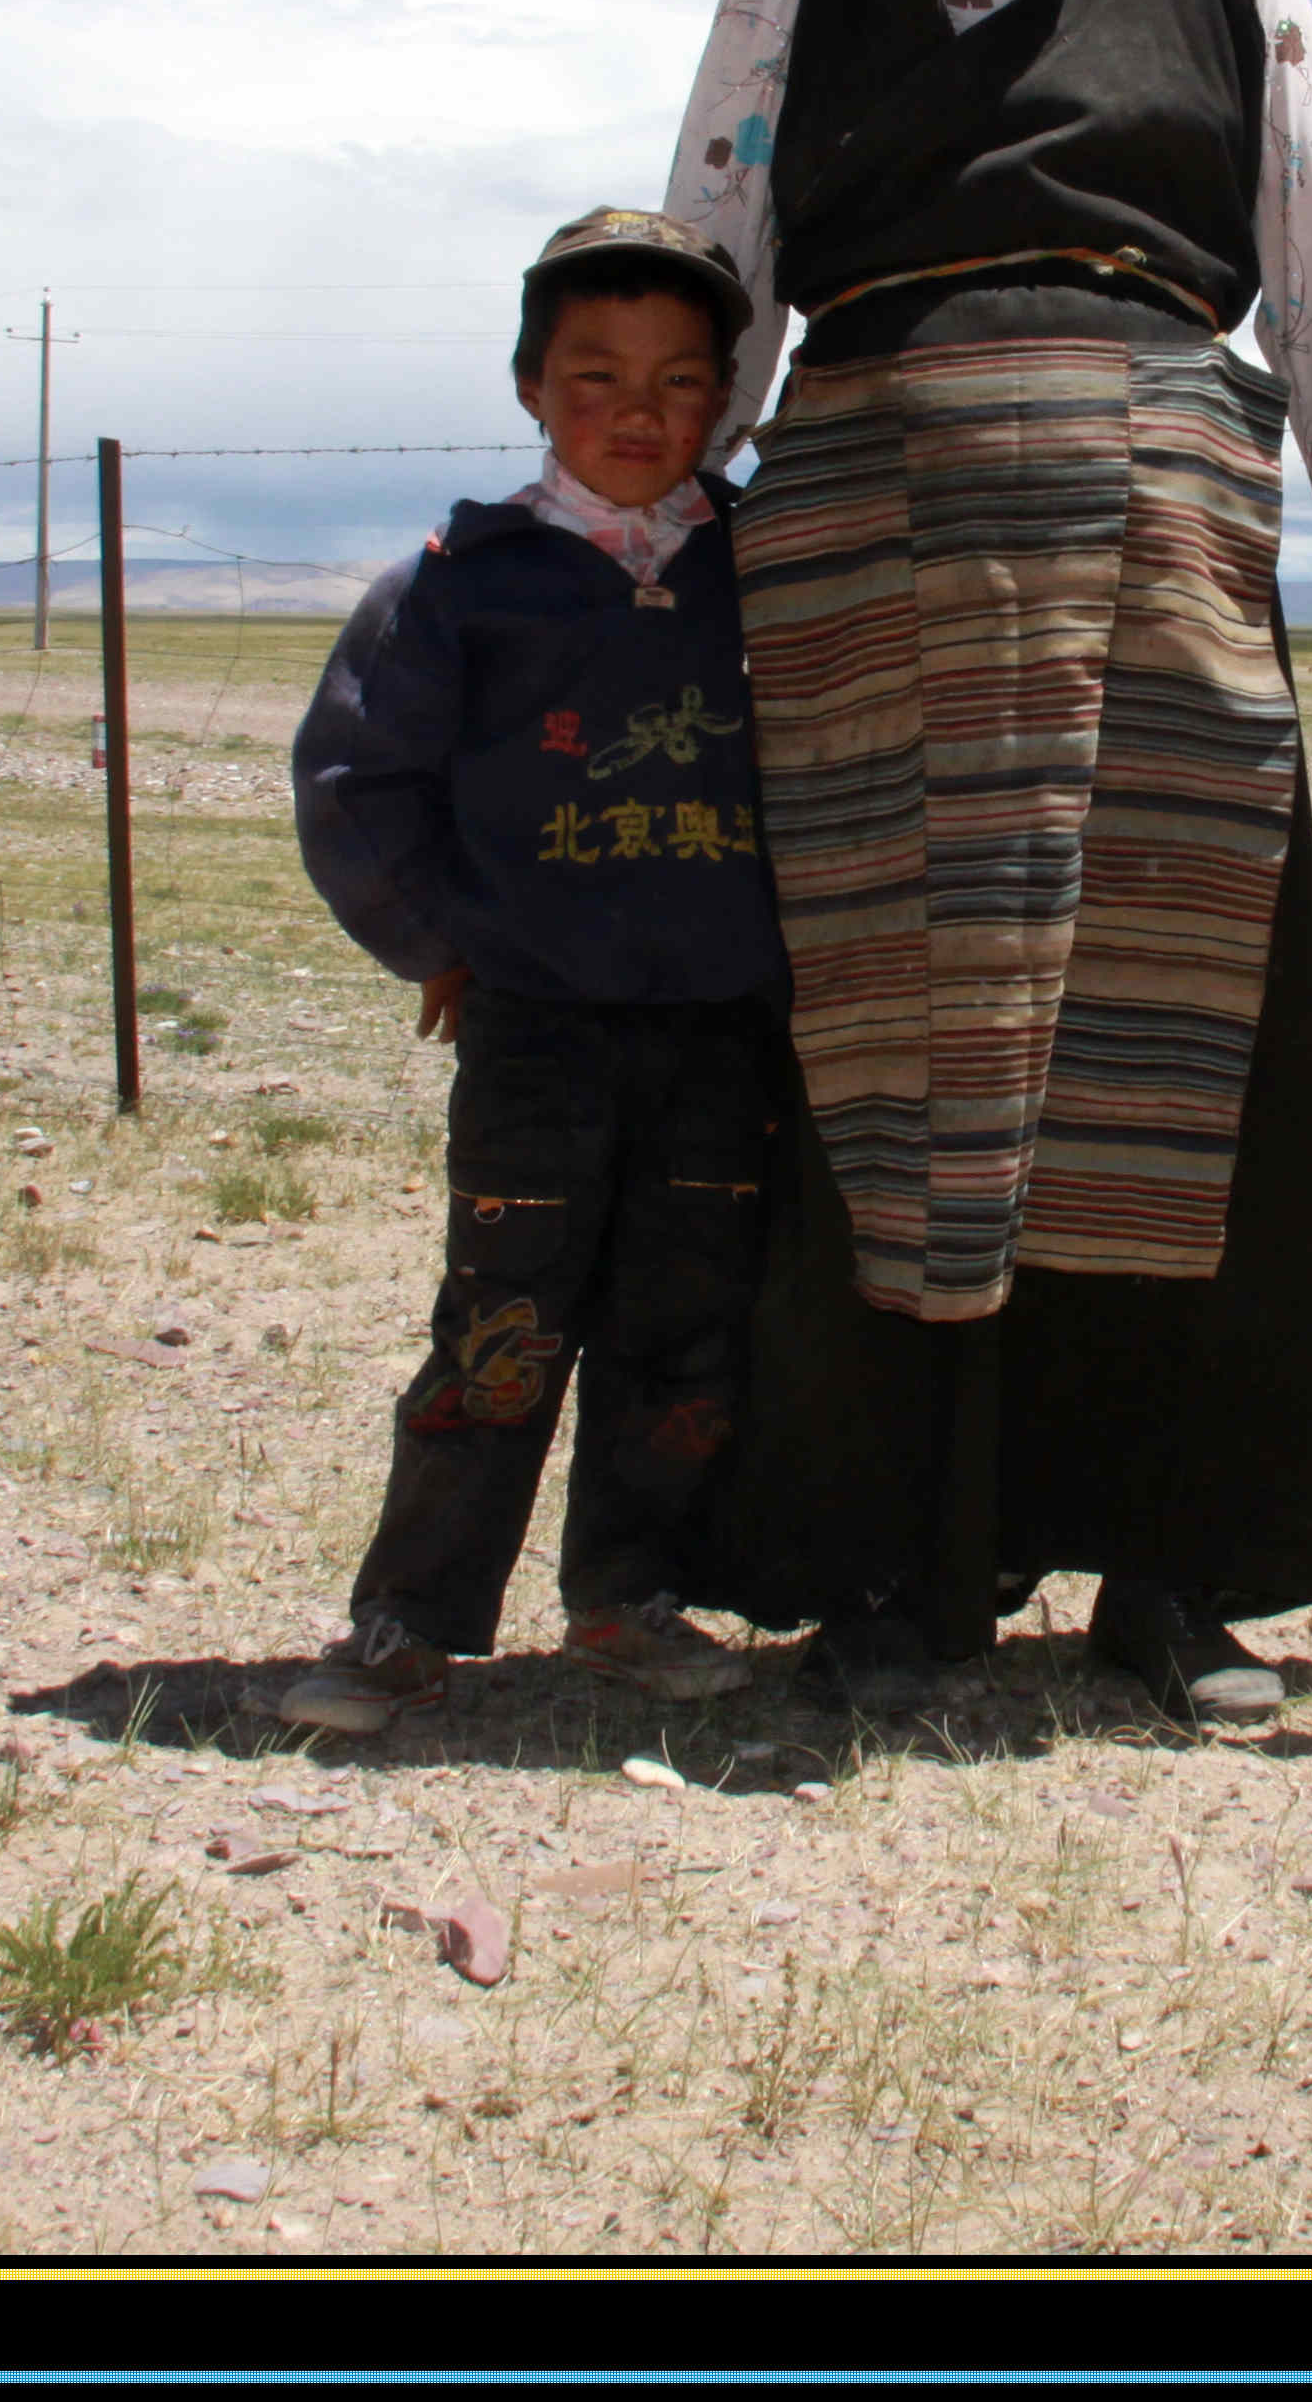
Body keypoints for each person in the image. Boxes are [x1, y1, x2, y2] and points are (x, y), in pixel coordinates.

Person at [655, 0, 1312, 1726]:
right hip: (865, 549)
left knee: (1168, 1050)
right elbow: (714, 258)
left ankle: (1172, 1579)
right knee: (879, 1059)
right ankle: (882, 1574)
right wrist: (627, 531)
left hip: (1164, 543)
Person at [261, 208, 785, 1736]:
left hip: (721, 1032)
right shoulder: (462, 578)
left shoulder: (755, 574)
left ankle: (626, 1598)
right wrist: (435, 945)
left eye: (682, 381)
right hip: (537, 1031)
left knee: (683, 1329)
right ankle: (408, 1616)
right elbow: (352, 778)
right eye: (595, 375)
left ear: (723, 398)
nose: (640, 411)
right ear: (530, 387)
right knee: (499, 1324)